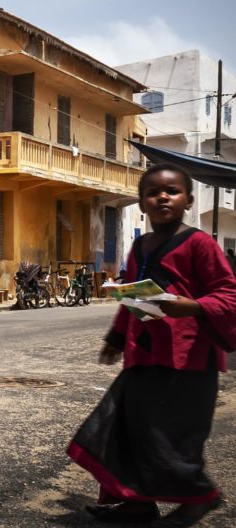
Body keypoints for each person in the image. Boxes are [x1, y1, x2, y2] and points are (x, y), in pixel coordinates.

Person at [67, 163, 236, 527]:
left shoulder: (200, 244)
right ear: (141, 202)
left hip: (188, 362)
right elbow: (133, 295)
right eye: (152, 192)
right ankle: (136, 503)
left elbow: (229, 294)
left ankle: (200, 497)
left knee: (169, 438)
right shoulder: (140, 244)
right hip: (143, 355)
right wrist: (115, 338)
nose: (162, 196)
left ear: (188, 200)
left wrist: (191, 306)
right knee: (125, 428)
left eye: (172, 191)